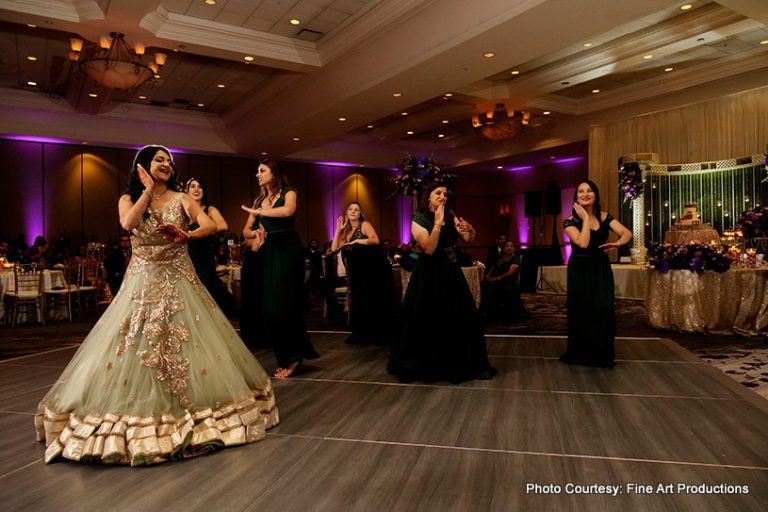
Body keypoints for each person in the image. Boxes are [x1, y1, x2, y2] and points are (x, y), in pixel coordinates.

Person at [35, 145, 278, 466]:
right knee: (136, 340)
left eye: (169, 161)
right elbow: (128, 223)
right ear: (143, 166)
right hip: (142, 280)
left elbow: (208, 224)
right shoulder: (128, 199)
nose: (166, 164)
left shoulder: (183, 198)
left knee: (187, 341)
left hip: (178, 276)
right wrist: (147, 192)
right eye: (158, 159)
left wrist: (186, 235)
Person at [388, 182, 495, 383]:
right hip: (429, 275)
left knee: (461, 316)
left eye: (445, 193)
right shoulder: (418, 219)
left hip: (451, 272)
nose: (442, 196)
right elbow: (428, 249)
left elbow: (467, 238)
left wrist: (471, 229)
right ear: (428, 196)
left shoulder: (451, 214)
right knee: (429, 318)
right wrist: (437, 225)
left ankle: (457, 361)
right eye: (438, 193)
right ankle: (430, 364)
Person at [241, 159, 319, 379]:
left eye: (262, 171)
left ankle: (292, 358)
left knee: (285, 304)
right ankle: (288, 355)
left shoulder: (289, 193)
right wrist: (254, 232)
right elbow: (246, 230)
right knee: (270, 308)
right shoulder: (259, 200)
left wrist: (260, 213)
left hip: (289, 251)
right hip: (270, 252)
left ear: (273, 174)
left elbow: (287, 212)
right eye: (257, 171)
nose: (258, 174)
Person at [560, 179, 632, 367]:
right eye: (581, 191)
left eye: (589, 190)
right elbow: (583, 243)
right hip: (580, 269)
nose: (585, 194)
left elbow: (627, 233)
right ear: (576, 197)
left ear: (595, 194)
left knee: (603, 308)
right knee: (583, 310)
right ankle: (581, 353)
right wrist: (584, 219)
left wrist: (618, 243)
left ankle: (601, 353)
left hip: (600, 267)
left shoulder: (605, 216)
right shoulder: (569, 221)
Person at [331, 202, 396, 345]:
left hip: (374, 270)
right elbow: (335, 248)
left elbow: (375, 240)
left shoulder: (364, 225)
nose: (353, 211)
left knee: (374, 299)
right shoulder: (345, 232)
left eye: (356, 210)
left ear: (360, 214)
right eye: (350, 209)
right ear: (347, 212)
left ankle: (378, 333)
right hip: (358, 273)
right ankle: (364, 332)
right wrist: (337, 231)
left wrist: (358, 241)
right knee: (361, 300)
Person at [184, 177, 234, 314]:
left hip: (203, 254)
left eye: (199, 186)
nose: (196, 189)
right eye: (192, 186)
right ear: (186, 191)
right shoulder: (182, 209)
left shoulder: (209, 209)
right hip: (185, 254)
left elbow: (223, 225)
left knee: (206, 288)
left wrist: (201, 231)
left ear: (204, 191)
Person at [481, 240, 529, 323]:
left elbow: (510, 273)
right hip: (497, 279)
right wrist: (488, 276)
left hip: (508, 281)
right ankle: (485, 312)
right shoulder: (500, 258)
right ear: (503, 249)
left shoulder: (515, 259)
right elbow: (493, 268)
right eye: (507, 246)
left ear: (514, 249)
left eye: (511, 246)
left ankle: (494, 314)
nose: (509, 247)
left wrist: (496, 279)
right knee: (483, 285)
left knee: (492, 289)